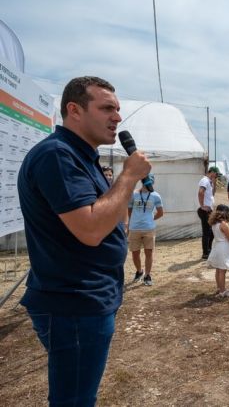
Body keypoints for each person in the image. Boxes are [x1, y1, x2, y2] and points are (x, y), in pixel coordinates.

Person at [17, 76, 151, 405]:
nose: (117, 118)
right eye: (107, 108)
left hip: (85, 299)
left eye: (118, 110)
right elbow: (91, 229)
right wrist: (129, 176)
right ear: (74, 110)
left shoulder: (81, 156)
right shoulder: (58, 156)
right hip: (73, 304)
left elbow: (109, 220)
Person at [127, 174, 164, 286]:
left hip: (149, 228)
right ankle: (139, 271)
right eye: (147, 182)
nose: (148, 185)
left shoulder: (156, 196)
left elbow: (161, 212)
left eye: (151, 183)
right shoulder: (133, 194)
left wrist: (151, 219)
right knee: (135, 253)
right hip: (134, 228)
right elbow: (129, 210)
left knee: (149, 252)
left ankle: (147, 275)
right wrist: (131, 222)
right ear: (142, 182)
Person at [207, 204, 229, 297]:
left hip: (217, 246)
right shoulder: (223, 224)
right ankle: (223, 291)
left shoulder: (214, 223)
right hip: (224, 247)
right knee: (222, 270)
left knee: (218, 269)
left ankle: (219, 288)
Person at [197, 166, 219, 259]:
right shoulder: (205, 180)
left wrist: (214, 183)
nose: (217, 176)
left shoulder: (209, 182)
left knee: (211, 232)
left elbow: (212, 194)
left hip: (209, 209)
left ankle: (208, 250)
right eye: (216, 174)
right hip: (204, 210)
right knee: (207, 232)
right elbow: (201, 192)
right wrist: (202, 205)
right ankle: (205, 252)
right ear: (212, 172)